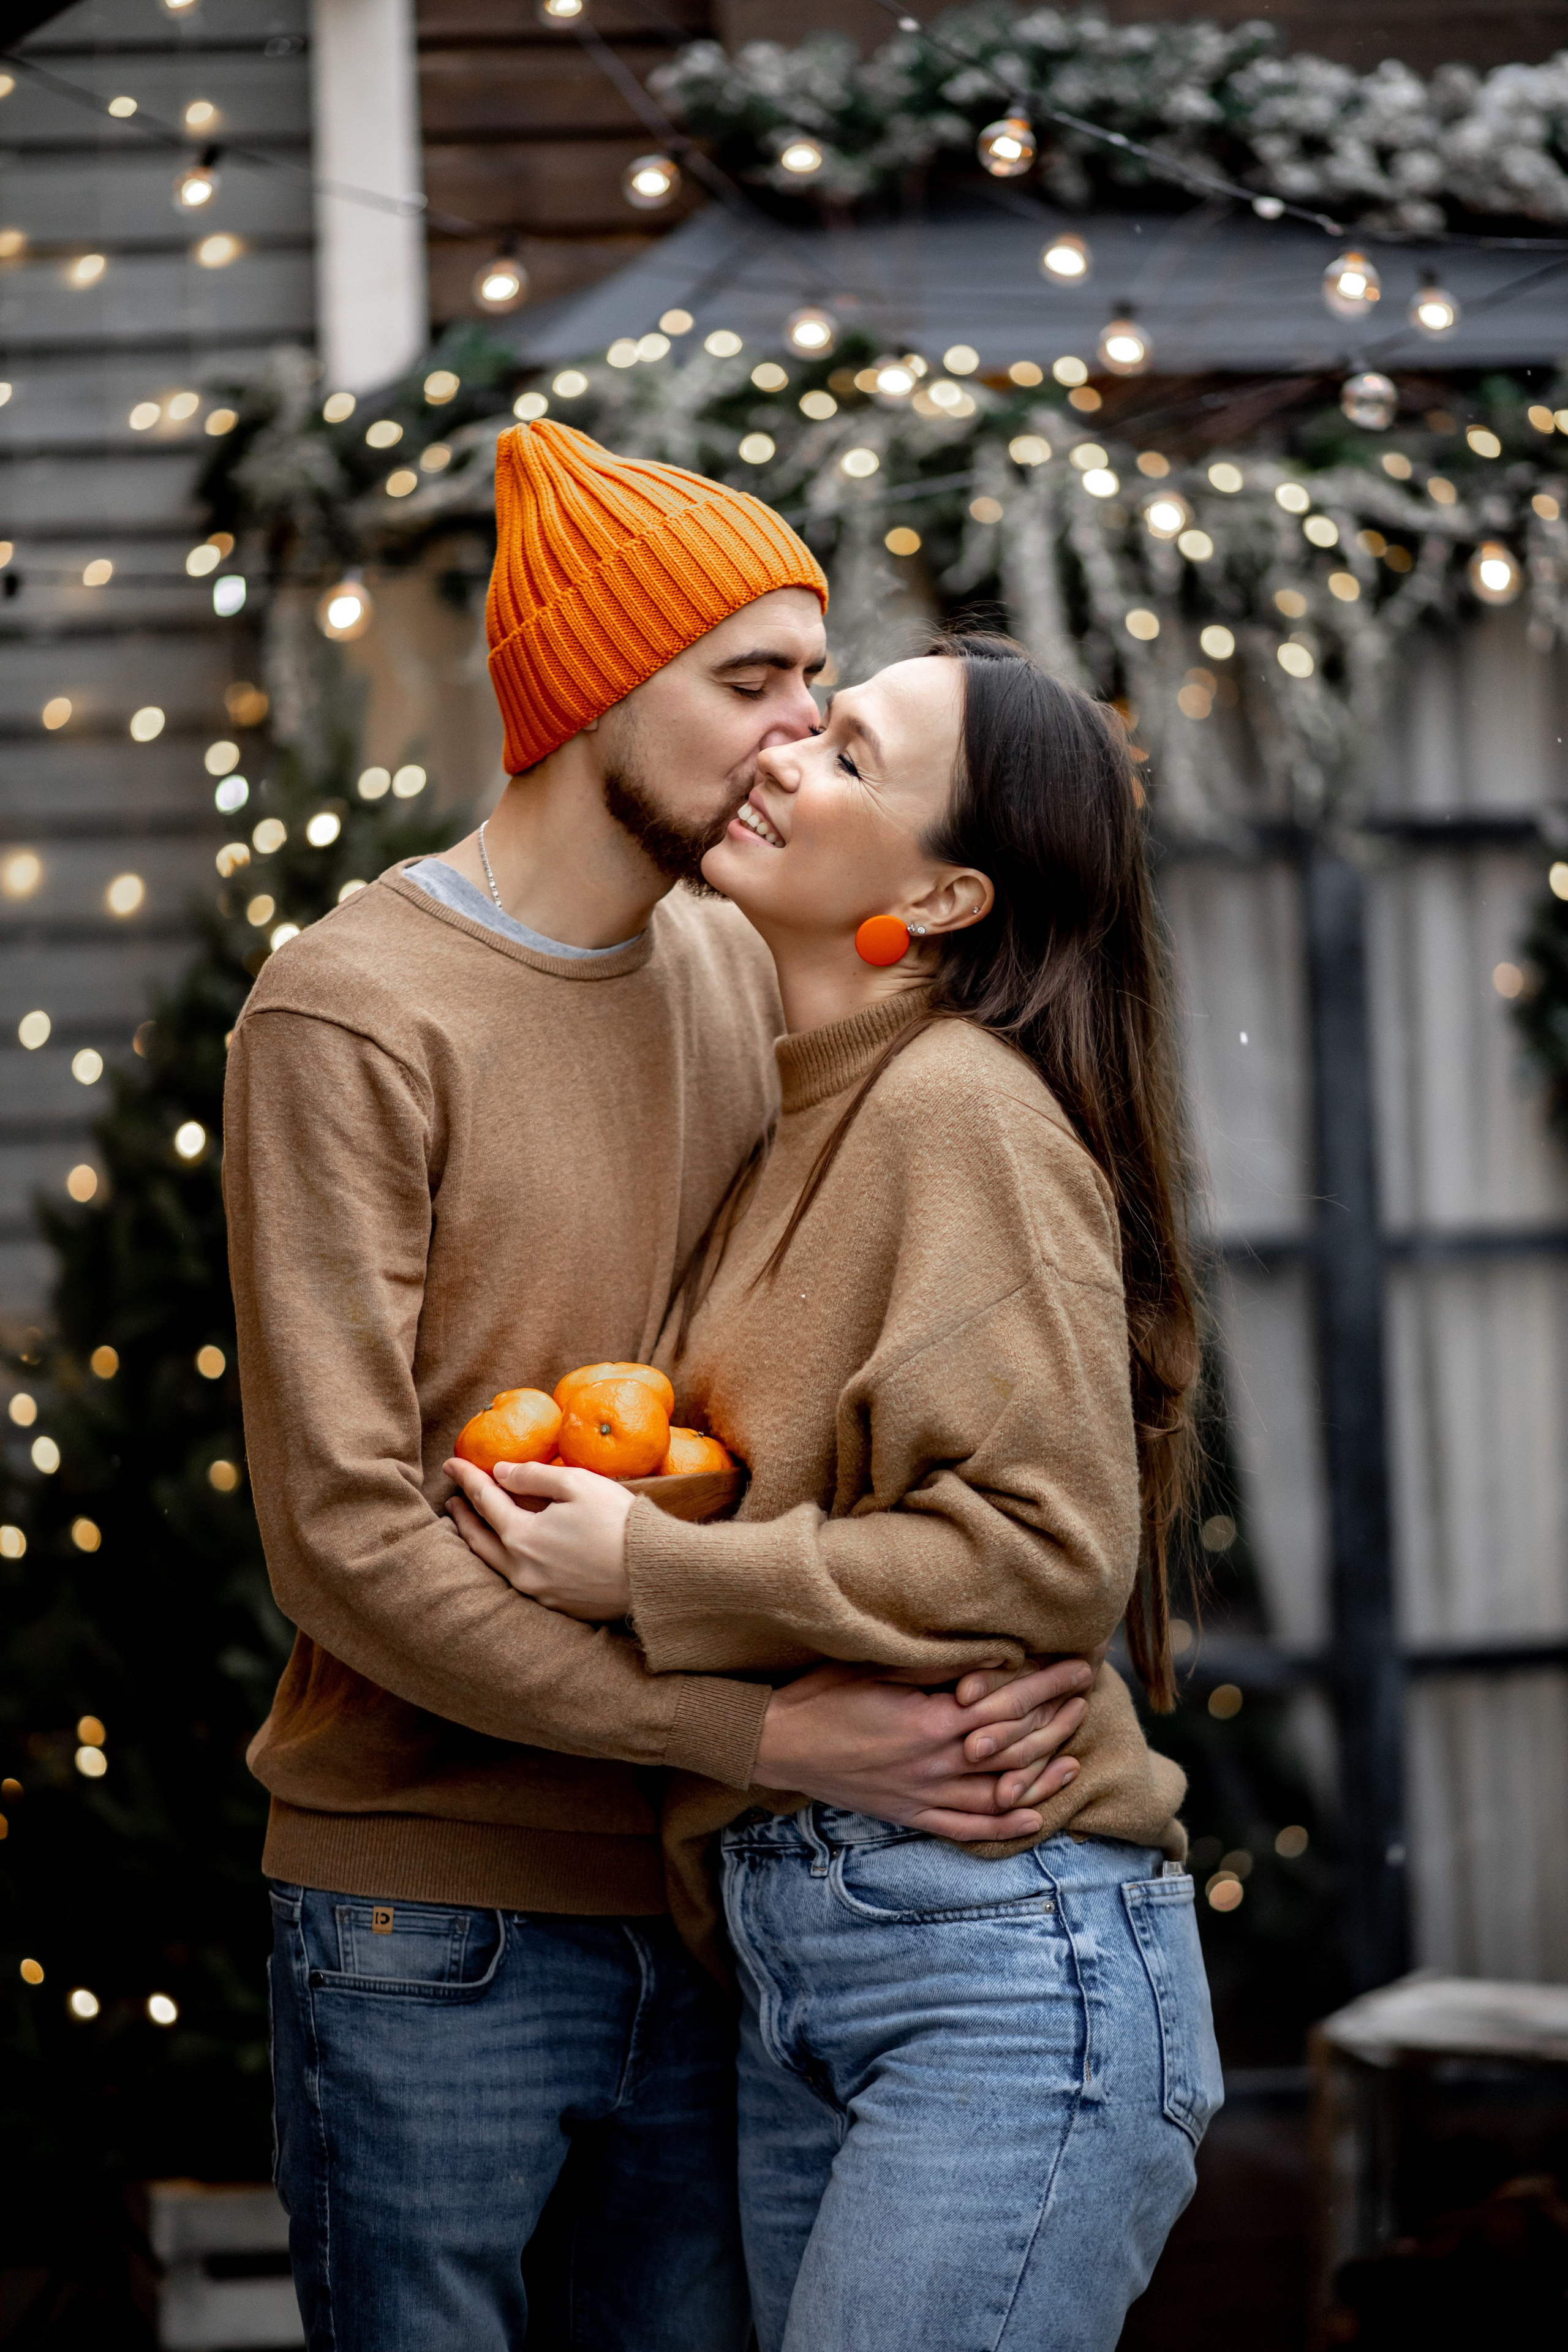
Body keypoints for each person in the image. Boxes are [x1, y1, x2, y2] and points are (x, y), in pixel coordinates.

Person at [224, 424, 1090, 2352]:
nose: (798, 740)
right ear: (596, 693)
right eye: (752, 685)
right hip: (430, 1907)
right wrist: (776, 1742)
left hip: (719, 1909)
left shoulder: (738, 962)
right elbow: (345, 1537)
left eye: (815, 685)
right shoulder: (350, 1012)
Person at [445, 630, 1226, 2352]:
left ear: (944, 899)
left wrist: (653, 1567)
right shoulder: (805, 1116)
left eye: (853, 755)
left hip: (995, 1971)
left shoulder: (955, 1110)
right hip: (816, 1967)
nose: (788, 750)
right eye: (809, 717)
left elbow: (1040, 1551)